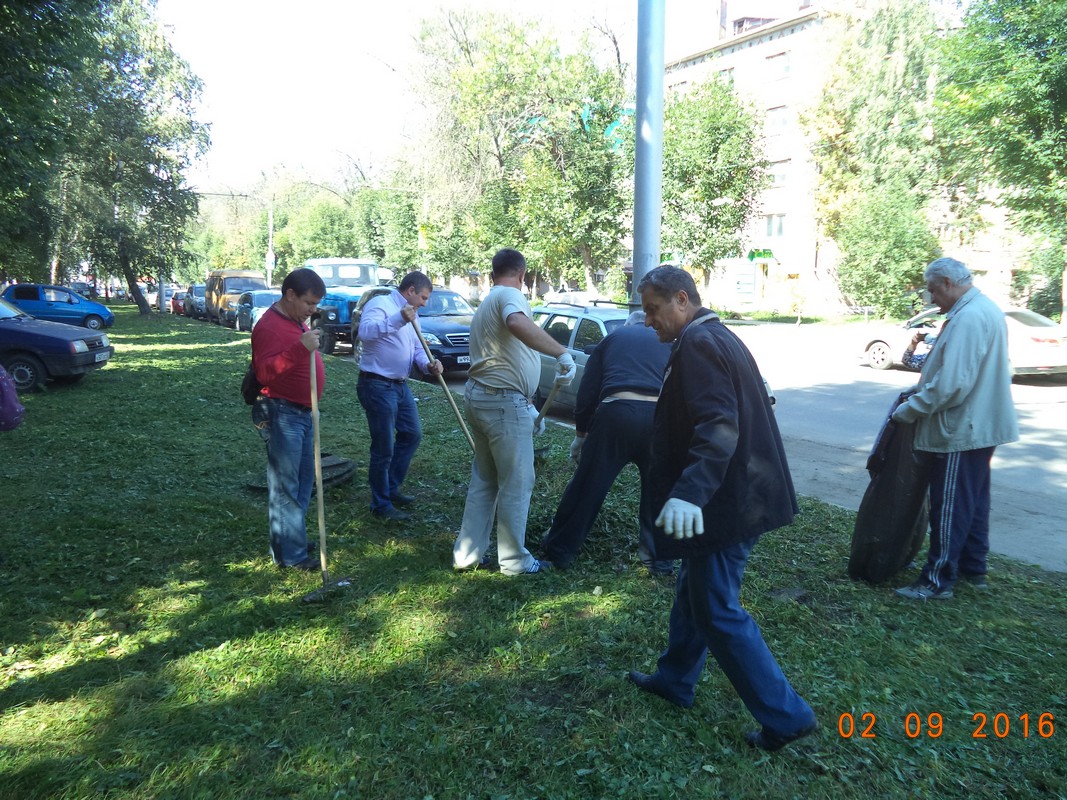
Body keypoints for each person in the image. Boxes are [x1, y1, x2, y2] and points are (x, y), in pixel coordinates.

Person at [626, 265, 817, 752]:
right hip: (734, 496)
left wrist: (690, 491)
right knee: (696, 592)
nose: (649, 321)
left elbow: (718, 424)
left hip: (727, 503)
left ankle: (787, 717)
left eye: (653, 309)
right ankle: (675, 679)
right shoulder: (714, 334)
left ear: (683, 300)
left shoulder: (698, 344)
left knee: (716, 609)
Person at [891, 257, 1019, 600]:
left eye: (933, 290)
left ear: (948, 283)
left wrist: (910, 410)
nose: (932, 299)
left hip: (961, 429)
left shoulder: (970, 317)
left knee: (949, 506)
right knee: (973, 501)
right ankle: (973, 568)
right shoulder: (983, 309)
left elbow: (951, 385)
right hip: (979, 424)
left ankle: (936, 581)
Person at [452, 248, 576, 575]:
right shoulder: (510, 296)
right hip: (503, 404)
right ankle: (514, 561)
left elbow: (509, 356)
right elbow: (516, 322)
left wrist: (530, 408)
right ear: (522, 274)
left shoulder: (486, 302)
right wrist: (562, 352)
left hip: (484, 398)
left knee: (486, 480)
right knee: (517, 482)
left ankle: (467, 554)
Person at [540, 310, 674, 576]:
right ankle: (659, 562)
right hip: (659, 419)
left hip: (617, 414)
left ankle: (559, 551)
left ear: (627, 325)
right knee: (658, 490)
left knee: (588, 485)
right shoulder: (668, 342)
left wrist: (581, 435)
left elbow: (588, 391)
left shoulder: (613, 338)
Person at [251, 267, 327, 571]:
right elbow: (264, 374)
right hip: (282, 413)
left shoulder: (296, 320)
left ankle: (291, 539)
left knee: (303, 480)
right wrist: (300, 348)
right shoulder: (269, 326)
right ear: (290, 295)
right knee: (286, 486)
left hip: (304, 411)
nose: (313, 309)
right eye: (309, 303)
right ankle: (291, 556)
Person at [356, 271, 444, 521]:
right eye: (423, 298)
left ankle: (391, 487)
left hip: (399, 385)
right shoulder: (381, 305)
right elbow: (365, 332)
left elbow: (417, 348)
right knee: (383, 447)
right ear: (410, 291)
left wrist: (428, 364)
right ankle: (380, 504)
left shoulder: (411, 313)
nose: (424, 303)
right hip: (376, 384)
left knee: (412, 434)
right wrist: (398, 319)